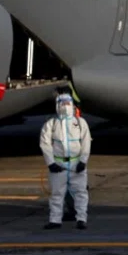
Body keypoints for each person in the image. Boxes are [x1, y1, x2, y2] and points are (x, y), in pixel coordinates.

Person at [39, 93, 91, 230]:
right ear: (57, 105)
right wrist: (50, 163)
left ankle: (81, 219)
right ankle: (55, 220)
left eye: (68, 103)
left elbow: (86, 142)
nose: (65, 106)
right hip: (59, 164)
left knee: (80, 192)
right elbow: (45, 144)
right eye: (62, 103)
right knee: (56, 193)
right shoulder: (51, 124)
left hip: (76, 164)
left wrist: (83, 161)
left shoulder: (80, 123)